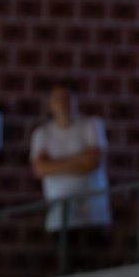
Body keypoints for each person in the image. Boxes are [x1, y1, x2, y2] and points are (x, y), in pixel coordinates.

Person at [30, 81, 111, 235]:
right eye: (58, 99)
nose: (63, 103)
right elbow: (40, 169)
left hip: (93, 213)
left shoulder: (91, 125)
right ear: (50, 103)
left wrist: (53, 164)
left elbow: (92, 162)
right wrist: (80, 158)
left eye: (67, 98)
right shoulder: (42, 134)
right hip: (59, 216)